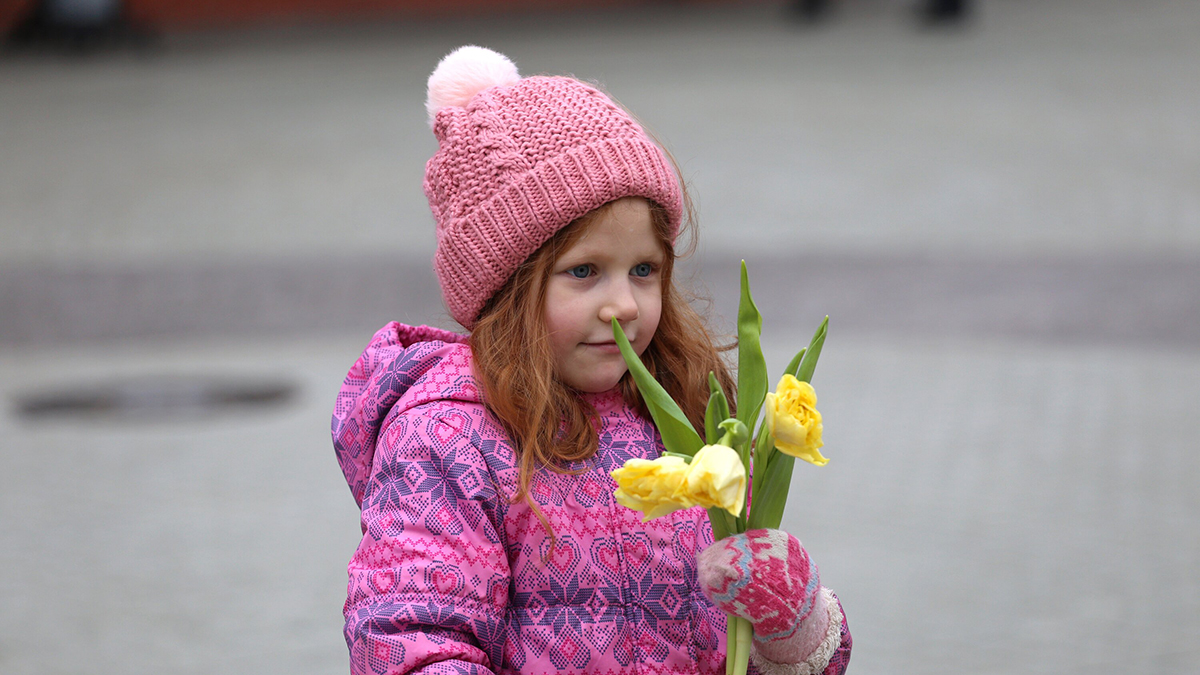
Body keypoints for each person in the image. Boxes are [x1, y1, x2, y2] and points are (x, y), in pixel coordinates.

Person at [332, 45, 852, 675]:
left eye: (644, 270)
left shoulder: (684, 405)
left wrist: (792, 625)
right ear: (508, 288)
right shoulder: (447, 437)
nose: (623, 305)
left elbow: (746, 645)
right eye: (584, 271)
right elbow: (412, 639)